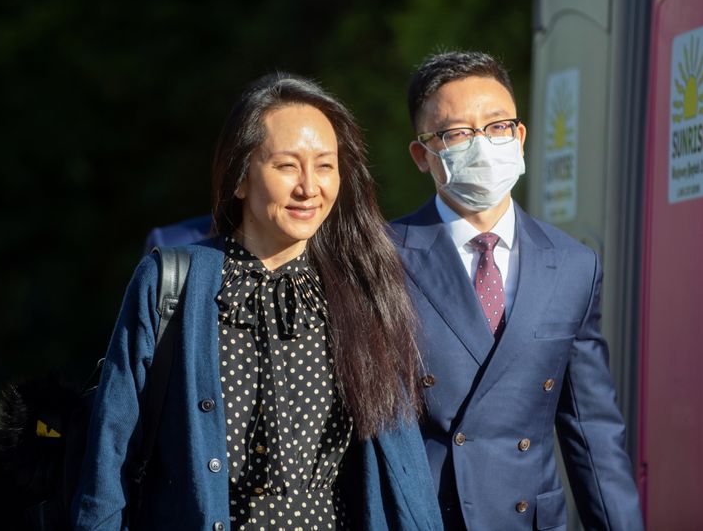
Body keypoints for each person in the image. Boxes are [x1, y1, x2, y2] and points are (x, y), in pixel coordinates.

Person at [72, 73, 442, 531]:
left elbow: (404, 471)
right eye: (287, 166)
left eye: (325, 166)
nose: (309, 187)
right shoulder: (171, 282)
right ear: (240, 178)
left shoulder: (362, 288)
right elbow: (110, 455)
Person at [390, 51, 643, 530]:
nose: (483, 146)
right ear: (423, 155)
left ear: (520, 137)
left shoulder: (572, 265)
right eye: (458, 133)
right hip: (428, 515)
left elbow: (591, 430)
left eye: (498, 126)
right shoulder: (383, 258)